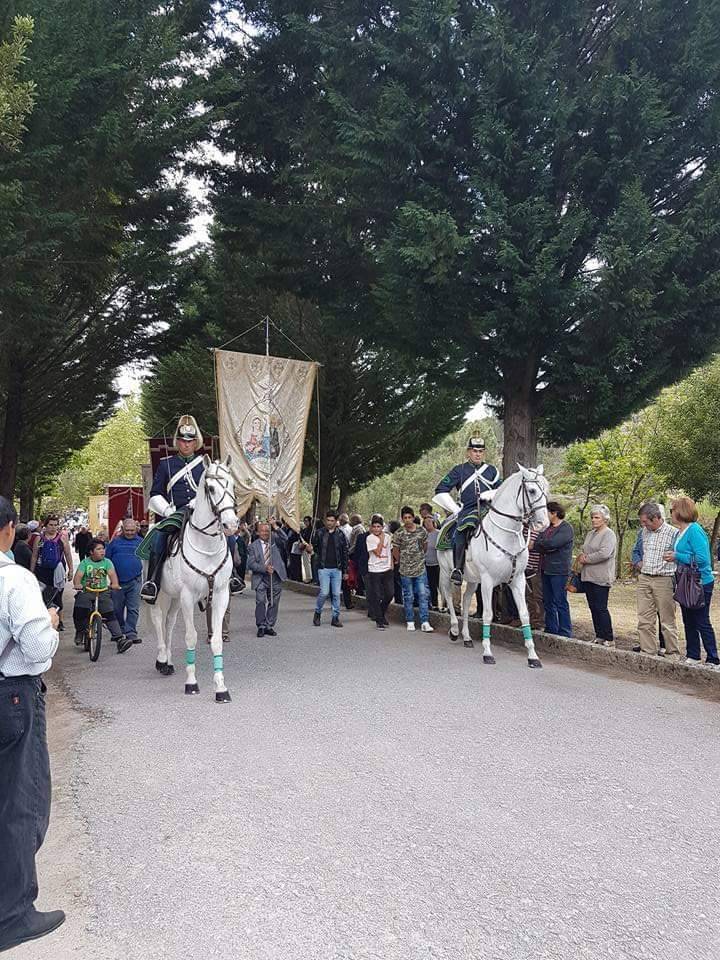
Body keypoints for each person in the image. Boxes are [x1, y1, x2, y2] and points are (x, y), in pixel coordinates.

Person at [0, 497, 66, 951]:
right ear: (9, 529)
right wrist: (52, 621)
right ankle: (13, 913)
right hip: (13, 693)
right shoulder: (14, 578)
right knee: (22, 802)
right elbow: (39, 649)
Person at [140, 414, 242, 604]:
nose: (186, 444)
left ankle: (233, 576)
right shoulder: (166, 464)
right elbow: (155, 494)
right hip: (176, 513)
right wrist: (167, 511)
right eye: (182, 440)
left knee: (229, 537)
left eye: (190, 441)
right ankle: (152, 582)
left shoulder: (205, 466)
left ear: (196, 443)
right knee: (159, 536)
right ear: (177, 442)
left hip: (201, 513)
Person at [433, 437, 501, 585]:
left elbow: (500, 490)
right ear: (468, 452)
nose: (478, 454)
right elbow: (440, 490)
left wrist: (490, 494)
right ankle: (458, 569)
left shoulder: (492, 471)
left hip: (489, 509)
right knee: (463, 528)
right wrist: (455, 509)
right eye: (475, 451)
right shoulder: (459, 470)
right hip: (468, 510)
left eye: (481, 451)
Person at [663, 497, 720, 666]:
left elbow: (703, 559)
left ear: (680, 511)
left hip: (699, 581)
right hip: (684, 580)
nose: (671, 513)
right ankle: (693, 654)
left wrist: (677, 556)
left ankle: (712, 657)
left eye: (672, 510)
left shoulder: (694, 530)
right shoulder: (680, 531)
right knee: (688, 619)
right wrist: (673, 558)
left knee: (701, 619)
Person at [635, 501, 680, 658]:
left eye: (645, 521)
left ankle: (672, 654)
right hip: (645, 578)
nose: (643, 525)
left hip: (664, 579)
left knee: (667, 620)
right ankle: (647, 652)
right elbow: (638, 551)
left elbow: (680, 557)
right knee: (644, 619)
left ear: (656, 518)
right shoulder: (644, 532)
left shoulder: (674, 533)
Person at [72, 539, 132, 653]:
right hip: (87, 591)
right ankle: (80, 631)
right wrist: (78, 584)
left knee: (109, 613)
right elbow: (78, 576)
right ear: (91, 552)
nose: (102, 551)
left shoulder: (107, 562)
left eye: (103, 549)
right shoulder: (85, 563)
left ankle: (119, 639)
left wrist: (115, 584)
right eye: (98, 549)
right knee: (80, 609)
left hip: (102, 591)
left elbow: (112, 574)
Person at [577, 504, 617, 646]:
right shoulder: (590, 533)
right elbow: (585, 549)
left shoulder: (609, 534)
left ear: (605, 519)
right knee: (593, 607)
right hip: (588, 576)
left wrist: (586, 559)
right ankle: (599, 635)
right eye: (592, 517)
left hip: (601, 576)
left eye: (596, 517)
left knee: (601, 607)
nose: (593, 520)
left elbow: (604, 553)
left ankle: (609, 637)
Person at [535, 502, 574, 638]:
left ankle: (565, 631)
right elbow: (538, 544)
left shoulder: (566, 528)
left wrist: (542, 545)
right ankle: (551, 628)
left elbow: (553, 543)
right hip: (545, 569)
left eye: (546, 512)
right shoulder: (546, 528)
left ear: (554, 513)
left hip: (559, 571)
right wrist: (542, 545)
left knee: (560, 601)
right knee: (547, 600)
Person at [392, 506, 433, 633]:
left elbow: (425, 546)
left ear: (413, 517)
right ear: (402, 519)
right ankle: (410, 621)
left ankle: (425, 621)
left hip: (420, 567)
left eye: (410, 517)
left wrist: (419, 556)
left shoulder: (421, 531)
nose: (408, 520)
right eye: (405, 518)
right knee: (408, 595)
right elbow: (395, 550)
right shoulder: (399, 533)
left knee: (422, 594)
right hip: (405, 569)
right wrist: (399, 561)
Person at [30, 515, 73, 630]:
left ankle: (60, 621)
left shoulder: (62, 539)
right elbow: (34, 555)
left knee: (58, 595)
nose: (53, 527)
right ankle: (44, 620)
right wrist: (31, 571)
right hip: (42, 571)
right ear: (45, 525)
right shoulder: (40, 539)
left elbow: (68, 554)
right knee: (43, 596)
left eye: (55, 525)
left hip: (58, 571)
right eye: (51, 525)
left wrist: (71, 570)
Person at [104, 518, 144, 644]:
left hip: (135, 580)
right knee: (117, 608)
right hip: (117, 582)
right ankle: (119, 631)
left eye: (132, 530)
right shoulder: (114, 543)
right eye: (127, 530)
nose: (130, 533)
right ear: (122, 529)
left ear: (136, 529)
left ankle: (131, 632)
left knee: (133, 608)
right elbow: (106, 560)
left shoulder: (141, 542)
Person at [247, 519, 288, 638]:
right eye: (262, 531)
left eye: (267, 531)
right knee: (260, 601)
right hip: (260, 577)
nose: (265, 533)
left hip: (275, 577)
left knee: (274, 602)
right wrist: (264, 568)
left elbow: (286, 538)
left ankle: (269, 625)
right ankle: (261, 625)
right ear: (258, 532)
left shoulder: (275, 541)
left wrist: (275, 525)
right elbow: (251, 564)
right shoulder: (253, 547)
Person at [308, 511, 349, 627]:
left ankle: (335, 617)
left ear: (336, 522)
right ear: (325, 521)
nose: (330, 523)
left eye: (332, 521)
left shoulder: (341, 535)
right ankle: (317, 612)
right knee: (324, 592)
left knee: (336, 594)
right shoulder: (319, 533)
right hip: (323, 568)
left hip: (337, 568)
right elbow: (312, 549)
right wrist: (309, 549)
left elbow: (345, 553)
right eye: (328, 520)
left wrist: (345, 570)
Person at [365, 515, 394, 629]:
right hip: (375, 569)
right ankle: (379, 620)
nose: (376, 529)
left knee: (389, 594)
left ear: (382, 527)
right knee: (376, 595)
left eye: (379, 527)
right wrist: (381, 539)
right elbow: (377, 552)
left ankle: (380, 614)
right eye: (374, 527)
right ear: (371, 528)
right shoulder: (370, 538)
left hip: (386, 568)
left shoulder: (388, 537)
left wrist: (391, 563)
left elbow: (389, 550)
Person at [525, 526, 544, 630]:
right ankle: (533, 620)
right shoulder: (525, 529)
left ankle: (540, 622)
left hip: (535, 567)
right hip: (525, 566)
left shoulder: (540, 529)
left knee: (538, 596)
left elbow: (530, 546)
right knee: (528, 596)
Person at [423, 516, 441, 610]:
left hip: (438, 564)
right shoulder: (424, 534)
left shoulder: (438, 533)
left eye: (429, 521)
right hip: (427, 564)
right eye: (425, 522)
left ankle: (445, 606)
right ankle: (433, 604)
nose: (428, 524)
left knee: (440, 586)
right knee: (430, 586)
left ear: (434, 522)